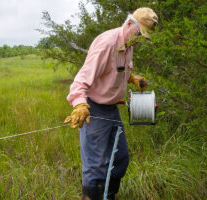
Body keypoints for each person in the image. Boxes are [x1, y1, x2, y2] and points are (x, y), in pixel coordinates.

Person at [64, 7, 158, 200]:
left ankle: (109, 195)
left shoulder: (129, 45)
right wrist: (80, 105)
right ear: (130, 24)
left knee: (120, 158)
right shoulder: (107, 43)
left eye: (144, 37)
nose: (140, 39)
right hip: (94, 108)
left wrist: (132, 78)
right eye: (140, 33)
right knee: (94, 165)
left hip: (112, 110)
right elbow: (80, 81)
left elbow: (115, 70)